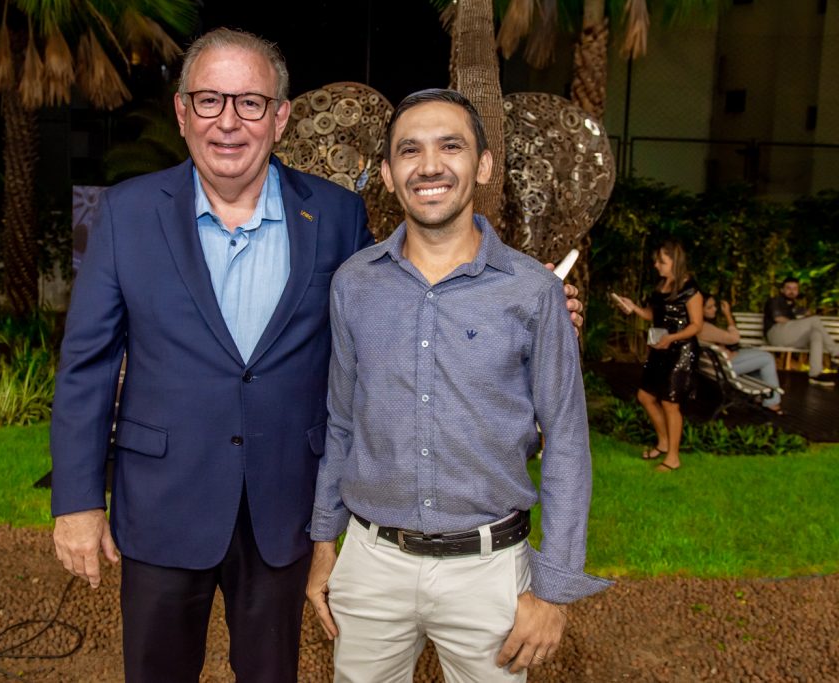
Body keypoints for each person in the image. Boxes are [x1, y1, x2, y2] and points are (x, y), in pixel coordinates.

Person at [49, 30, 583, 683]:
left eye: (249, 102)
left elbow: (389, 324)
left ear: (280, 117)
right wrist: (77, 499)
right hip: (163, 500)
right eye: (210, 100)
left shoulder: (333, 215)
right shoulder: (129, 213)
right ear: (182, 112)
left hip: (284, 506)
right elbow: (87, 362)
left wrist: (538, 321)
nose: (228, 121)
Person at [305, 89, 610, 682]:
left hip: (489, 572)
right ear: (389, 175)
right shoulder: (353, 285)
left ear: (484, 165)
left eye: (452, 146)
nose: (430, 165)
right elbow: (340, 422)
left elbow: (568, 443)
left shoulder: (532, 292)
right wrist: (324, 545)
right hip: (372, 565)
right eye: (410, 151)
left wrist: (552, 590)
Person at [613, 242, 703, 472]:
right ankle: (663, 443)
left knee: (670, 404)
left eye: (662, 261)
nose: (656, 265)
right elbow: (653, 315)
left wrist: (672, 339)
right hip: (660, 349)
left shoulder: (690, 289)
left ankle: (673, 458)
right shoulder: (663, 285)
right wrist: (634, 308)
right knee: (645, 396)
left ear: (675, 262)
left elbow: (696, 326)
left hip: (680, 351)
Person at [698, 295, 782, 413]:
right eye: (709, 307)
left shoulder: (694, 325)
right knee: (767, 358)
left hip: (717, 366)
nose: (715, 309)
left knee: (760, 355)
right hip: (723, 369)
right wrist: (728, 314)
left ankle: (762, 396)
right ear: (698, 310)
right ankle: (772, 402)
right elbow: (734, 338)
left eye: (714, 306)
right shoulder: (704, 327)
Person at [763, 277, 838, 386]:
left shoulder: (793, 306)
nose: (792, 291)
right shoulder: (775, 301)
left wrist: (804, 316)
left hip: (788, 337)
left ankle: (815, 374)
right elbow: (778, 318)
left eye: (795, 288)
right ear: (782, 290)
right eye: (788, 288)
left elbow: (802, 317)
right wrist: (803, 322)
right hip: (775, 334)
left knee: (815, 334)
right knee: (815, 320)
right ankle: (836, 353)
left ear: (798, 291)